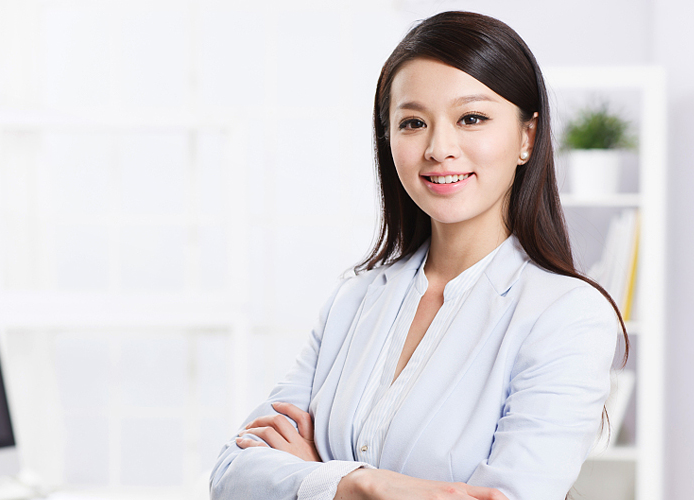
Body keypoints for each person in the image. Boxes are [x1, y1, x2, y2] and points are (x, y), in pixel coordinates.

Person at [210, 11, 628, 500]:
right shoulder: (354, 299)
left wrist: (316, 476)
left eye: (471, 118)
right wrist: (361, 484)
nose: (439, 148)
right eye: (413, 123)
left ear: (526, 137)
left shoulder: (568, 315)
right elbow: (232, 474)